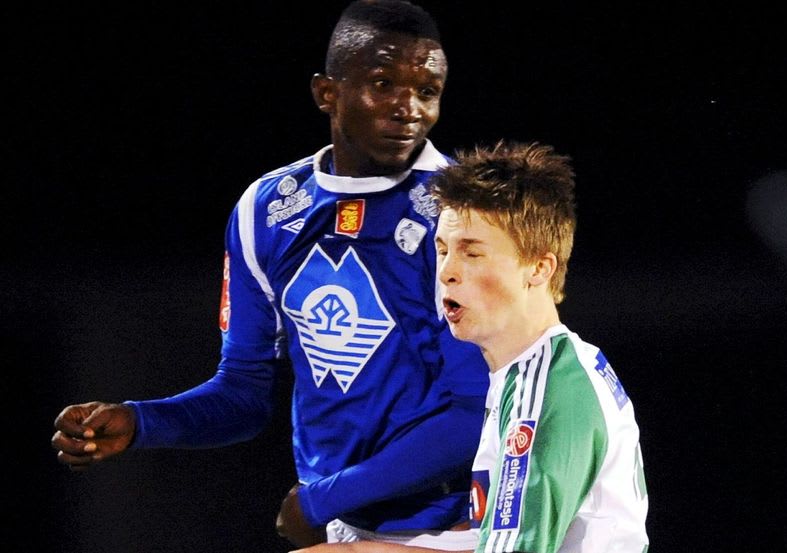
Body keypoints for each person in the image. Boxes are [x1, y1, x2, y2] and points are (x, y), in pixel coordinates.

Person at [50, 0, 489, 549]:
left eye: (427, 91)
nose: (409, 109)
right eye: (383, 84)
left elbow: (478, 409)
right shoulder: (266, 211)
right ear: (326, 92)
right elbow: (243, 392)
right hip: (340, 523)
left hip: (456, 523)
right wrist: (141, 422)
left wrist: (320, 499)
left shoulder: (462, 210)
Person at [292, 140, 649, 553]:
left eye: (472, 253)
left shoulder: (543, 394)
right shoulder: (542, 367)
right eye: (442, 250)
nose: (447, 272)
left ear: (539, 267)